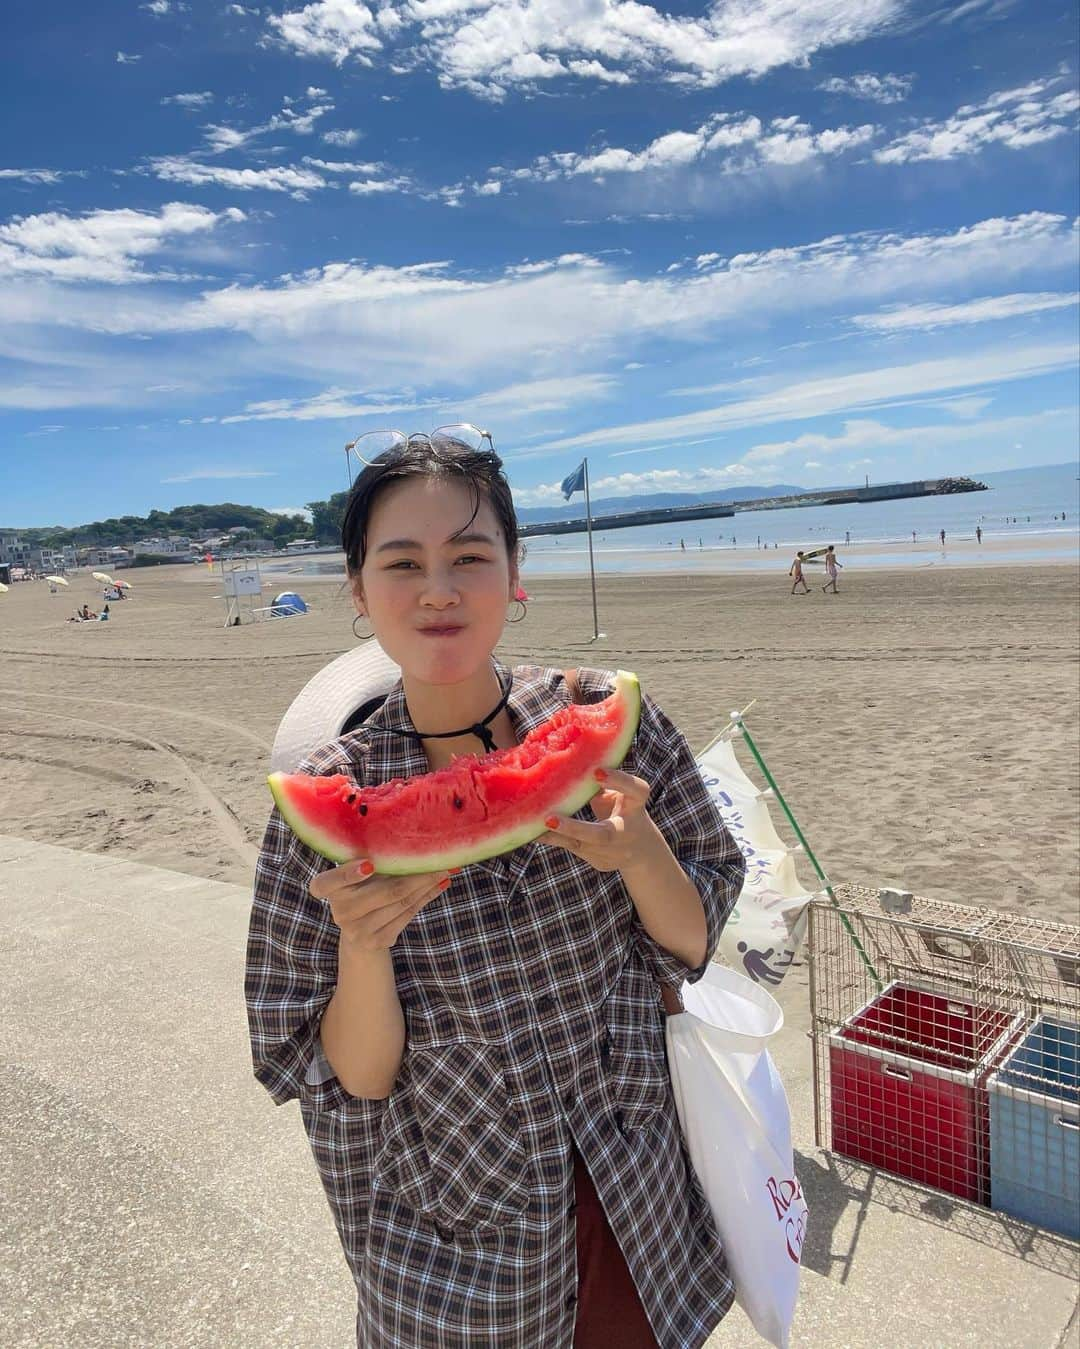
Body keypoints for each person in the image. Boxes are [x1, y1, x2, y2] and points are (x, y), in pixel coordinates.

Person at [245, 433, 745, 1348]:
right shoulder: (322, 799)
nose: (439, 588)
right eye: (403, 562)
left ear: (515, 571)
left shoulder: (609, 719)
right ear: (359, 590)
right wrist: (364, 947)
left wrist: (642, 855)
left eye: (470, 556)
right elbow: (352, 1076)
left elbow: (694, 938)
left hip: (635, 1193)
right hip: (457, 1246)